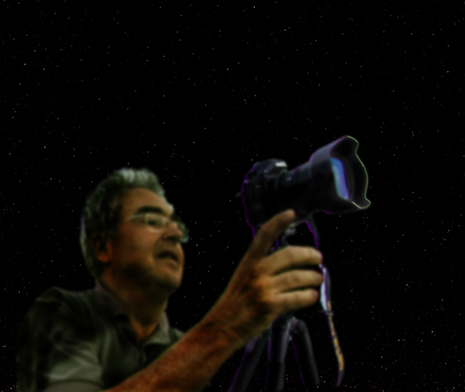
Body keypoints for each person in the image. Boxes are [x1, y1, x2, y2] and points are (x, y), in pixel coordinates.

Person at [16, 168, 325, 392]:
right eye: (152, 220)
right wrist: (226, 327)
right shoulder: (61, 312)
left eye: (177, 226)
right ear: (103, 247)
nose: (176, 233)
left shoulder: (181, 346)